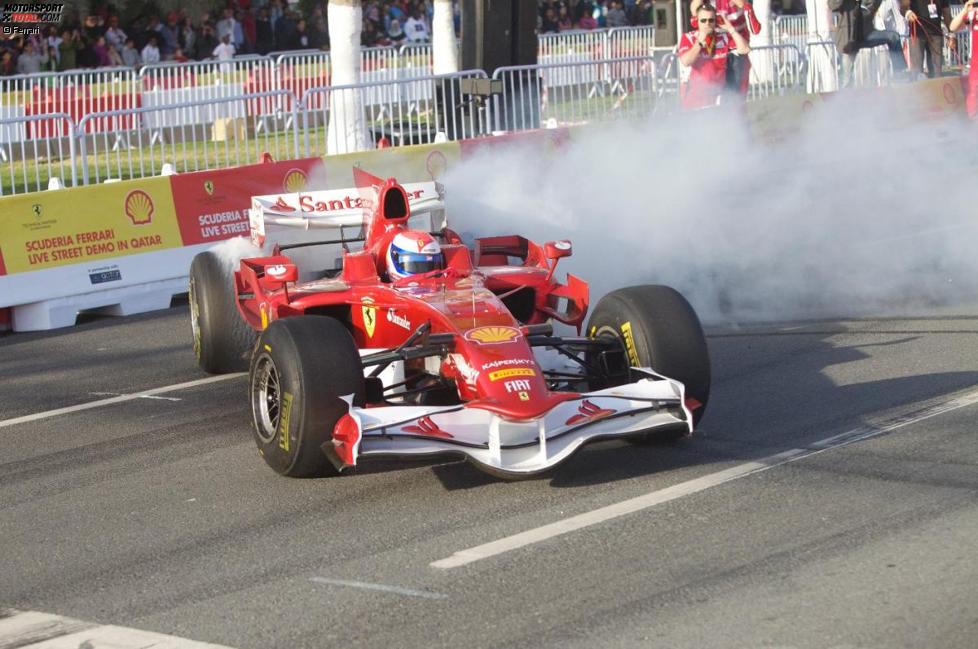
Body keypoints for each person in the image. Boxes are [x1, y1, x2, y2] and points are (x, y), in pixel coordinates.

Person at [678, 3, 751, 109]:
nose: (707, 23)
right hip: (695, 99)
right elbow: (685, 61)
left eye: (711, 20)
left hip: (717, 98)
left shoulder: (723, 37)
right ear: (696, 21)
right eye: (703, 20)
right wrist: (699, 43)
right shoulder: (688, 38)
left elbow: (745, 49)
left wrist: (731, 29)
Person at [691, 0, 761, 98]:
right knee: (709, 95)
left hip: (735, 53)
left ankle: (732, 110)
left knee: (734, 97)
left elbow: (755, 29)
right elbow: (694, 15)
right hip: (715, 53)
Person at [905, 0, 952, 78]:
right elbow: (903, 6)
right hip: (917, 34)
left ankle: (936, 87)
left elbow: (946, 12)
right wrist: (907, 13)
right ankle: (917, 88)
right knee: (917, 70)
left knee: (937, 70)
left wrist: (951, 34)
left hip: (936, 33)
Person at [949, 0, 978, 118]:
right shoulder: (972, 15)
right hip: (976, 62)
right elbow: (953, 27)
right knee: (973, 90)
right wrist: (965, 10)